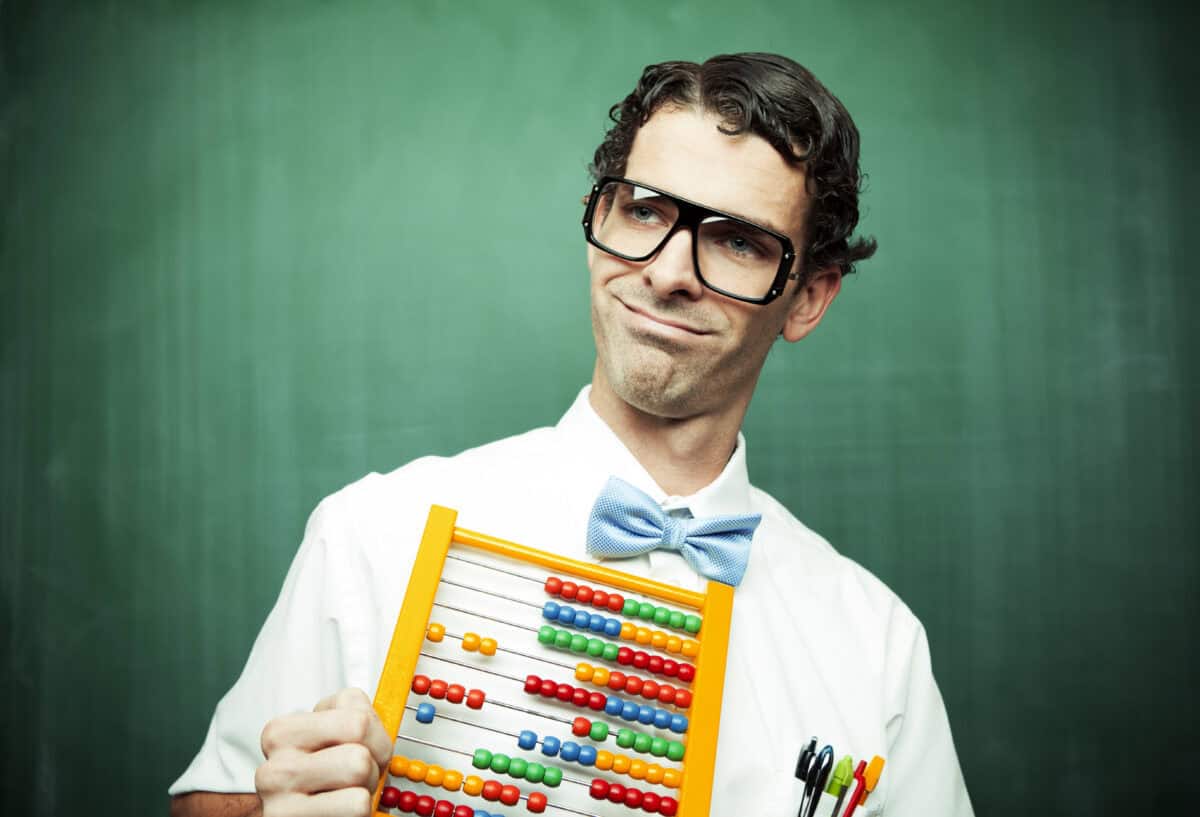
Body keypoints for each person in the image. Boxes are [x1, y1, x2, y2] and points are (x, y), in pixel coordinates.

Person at [169, 53, 973, 817]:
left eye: (736, 240)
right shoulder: (373, 536)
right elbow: (216, 798)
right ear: (599, 216)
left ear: (808, 297)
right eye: (644, 209)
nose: (666, 272)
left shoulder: (877, 645)